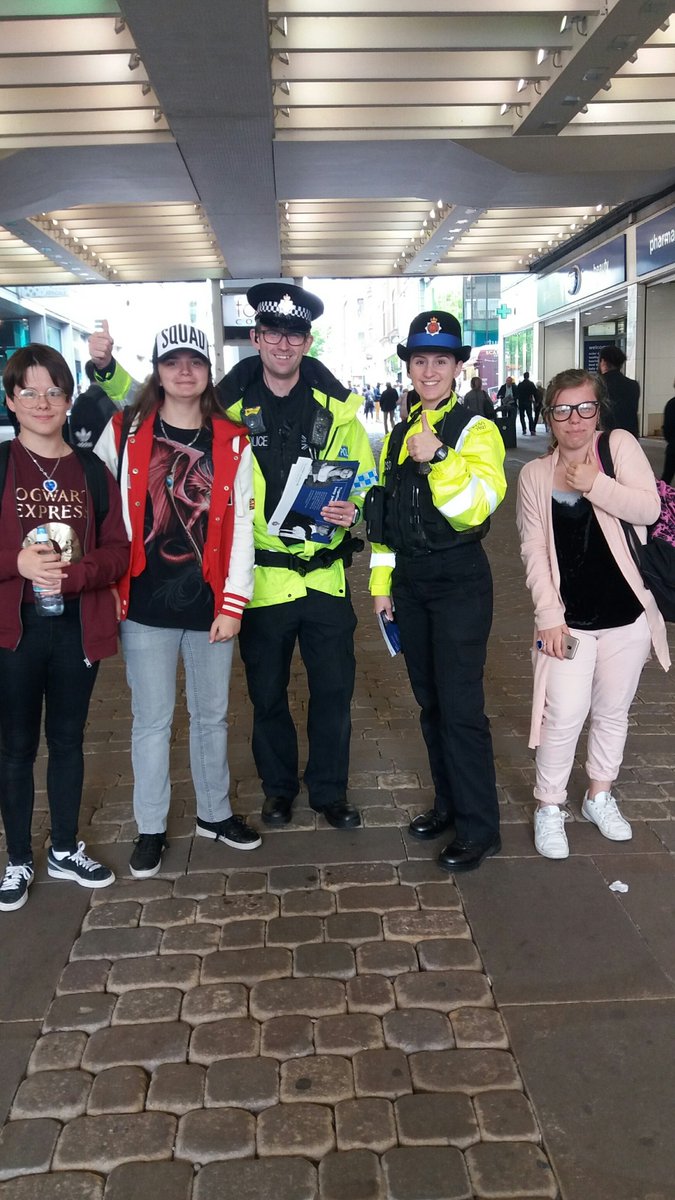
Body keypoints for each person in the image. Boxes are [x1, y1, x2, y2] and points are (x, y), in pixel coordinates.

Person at [91, 288, 377, 832]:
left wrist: (354, 506)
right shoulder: (225, 410)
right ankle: (277, 789)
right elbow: (154, 401)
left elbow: (364, 474)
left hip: (325, 578)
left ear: (307, 341)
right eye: (273, 333)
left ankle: (329, 791)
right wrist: (105, 369)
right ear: (257, 339)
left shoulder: (339, 410)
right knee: (266, 695)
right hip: (262, 580)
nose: (283, 344)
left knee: (334, 693)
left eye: (294, 334)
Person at [94, 323, 260, 879]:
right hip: (144, 606)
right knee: (152, 720)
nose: (184, 371)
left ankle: (214, 814)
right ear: (157, 369)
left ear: (208, 371)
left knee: (212, 717)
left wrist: (233, 603)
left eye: (195, 362)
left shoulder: (233, 441)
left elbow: (242, 527)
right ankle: (151, 826)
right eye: (173, 362)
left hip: (210, 605)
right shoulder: (123, 431)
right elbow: (97, 507)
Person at [370, 311, 507, 872]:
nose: (430, 370)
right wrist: (382, 588)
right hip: (411, 585)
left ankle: (480, 827)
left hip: (459, 584)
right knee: (431, 705)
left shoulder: (477, 431)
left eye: (441, 361)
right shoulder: (397, 437)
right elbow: (384, 522)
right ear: (409, 367)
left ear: (457, 368)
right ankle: (448, 804)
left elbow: (475, 506)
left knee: (462, 709)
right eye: (420, 360)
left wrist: (442, 459)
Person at [516, 368, 670, 860]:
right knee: (562, 713)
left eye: (584, 408)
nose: (574, 419)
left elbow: (649, 510)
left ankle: (598, 795)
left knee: (612, 712)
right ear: (550, 417)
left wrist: (596, 484)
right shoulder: (534, 475)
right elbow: (533, 551)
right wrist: (547, 616)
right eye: (562, 409)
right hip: (569, 622)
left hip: (626, 617)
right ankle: (550, 805)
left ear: (597, 411)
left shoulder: (618, 447)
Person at [0, 344, 129, 912]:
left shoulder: (92, 471)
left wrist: (76, 575)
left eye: (54, 390)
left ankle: (64, 848)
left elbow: (120, 551)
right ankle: (18, 859)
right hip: (15, 630)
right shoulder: (2, 464)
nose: (42, 402)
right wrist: (17, 563)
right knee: (15, 747)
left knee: (69, 740)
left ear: (69, 399)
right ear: (11, 401)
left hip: (77, 626)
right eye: (29, 391)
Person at [598, 345, 640, 437]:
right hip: (629, 435)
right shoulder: (633, 385)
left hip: (604, 436)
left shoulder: (597, 385)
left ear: (603, 361)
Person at [661, 383, 675, 484]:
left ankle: (661, 498)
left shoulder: (671, 404)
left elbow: (667, 429)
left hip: (673, 448)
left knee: (666, 478)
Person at [516, 371, 538, 436]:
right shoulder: (531, 384)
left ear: (523, 376)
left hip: (521, 402)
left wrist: (517, 401)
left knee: (522, 416)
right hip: (528, 401)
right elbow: (535, 393)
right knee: (530, 416)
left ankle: (524, 429)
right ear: (528, 376)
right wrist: (536, 401)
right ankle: (532, 430)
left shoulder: (520, 384)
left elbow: (517, 394)